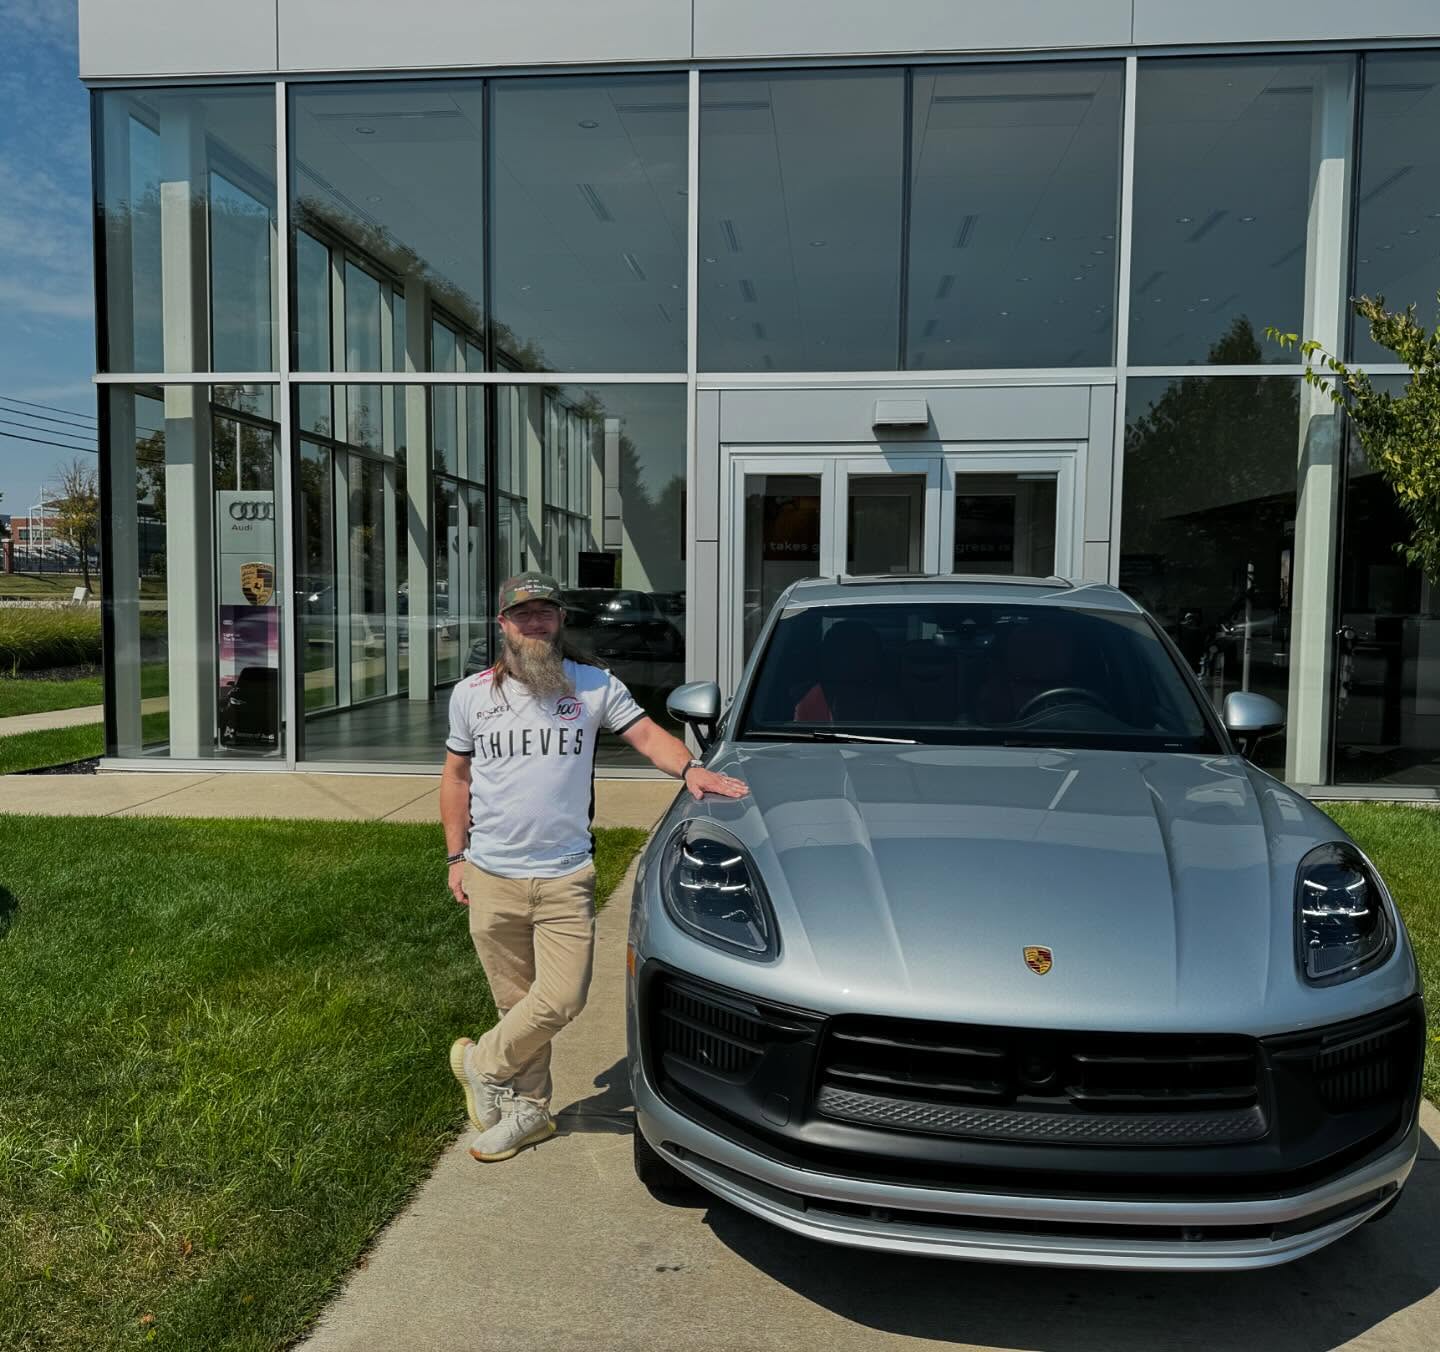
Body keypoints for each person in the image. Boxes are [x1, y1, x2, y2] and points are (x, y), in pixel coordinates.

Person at [441, 572, 748, 1163]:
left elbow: (648, 734)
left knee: (560, 999)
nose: (535, 623)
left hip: (564, 875)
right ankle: (529, 1113)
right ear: (502, 624)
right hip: (491, 872)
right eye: (522, 614)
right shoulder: (471, 695)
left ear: (559, 622)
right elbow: (456, 778)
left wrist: (689, 769)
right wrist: (457, 857)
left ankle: (480, 1064)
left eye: (545, 613)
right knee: (516, 1005)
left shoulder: (592, 686)